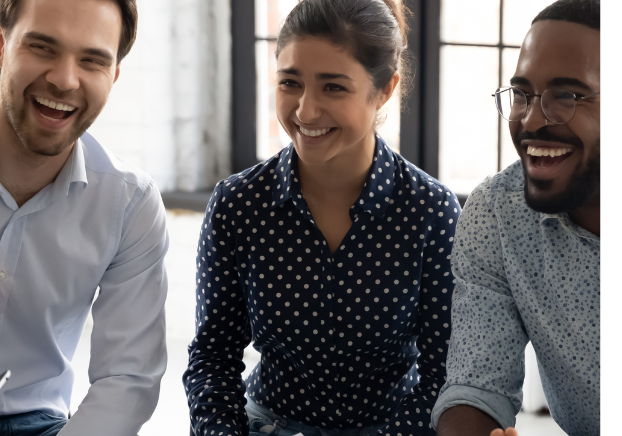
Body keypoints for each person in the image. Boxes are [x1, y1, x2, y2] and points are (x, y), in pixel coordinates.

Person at [184, 1, 461, 435]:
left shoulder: (431, 211)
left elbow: (445, 375)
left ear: (385, 89)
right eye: (290, 83)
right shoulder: (238, 203)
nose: (306, 111)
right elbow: (212, 357)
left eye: (333, 88)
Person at [431, 1, 600, 435]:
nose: (532, 120)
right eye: (522, 94)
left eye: (566, 96)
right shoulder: (498, 214)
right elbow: (477, 383)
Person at [0, 0, 169, 435]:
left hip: (34, 422)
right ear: (2, 45)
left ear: (113, 76)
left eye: (92, 60)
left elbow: (127, 381)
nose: (64, 79)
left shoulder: (129, 203)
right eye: (42, 48)